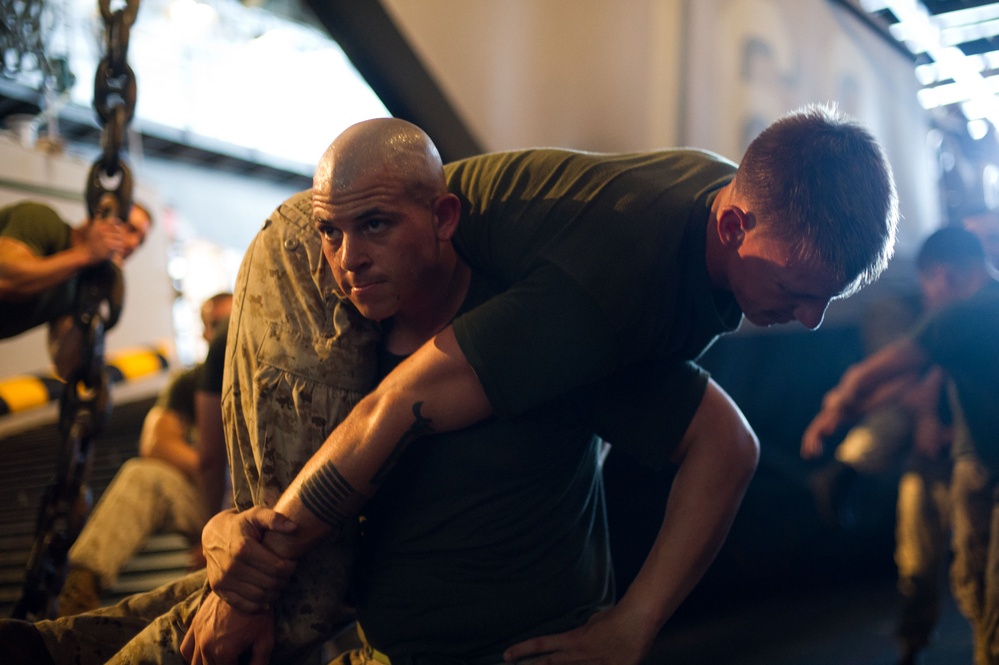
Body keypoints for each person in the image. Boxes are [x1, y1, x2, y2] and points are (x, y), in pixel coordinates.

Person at [185, 105, 899, 665]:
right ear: (734, 225)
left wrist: (632, 624)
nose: (810, 322)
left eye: (826, 298)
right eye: (795, 289)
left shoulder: (723, 213)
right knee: (288, 601)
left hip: (411, 236)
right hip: (322, 239)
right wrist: (245, 580)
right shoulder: (615, 280)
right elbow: (396, 404)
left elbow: (724, 444)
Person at [802, 226, 999, 665]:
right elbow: (912, 381)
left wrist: (835, 408)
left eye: (927, 286)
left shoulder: (961, 315)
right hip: (978, 468)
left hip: (980, 471)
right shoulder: (979, 314)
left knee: (990, 605)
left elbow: (872, 376)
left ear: (941, 275)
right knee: (974, 591)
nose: (926, 299)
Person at [55, 292, 233, 617]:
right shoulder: (190, 382)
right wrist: (214, 487)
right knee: (143, 475)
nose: (224, 335)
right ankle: (78, 593)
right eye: (217, 326)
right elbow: (157, 443)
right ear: (206, 334)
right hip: (212, 498)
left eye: (231, 324)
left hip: (269, 507)